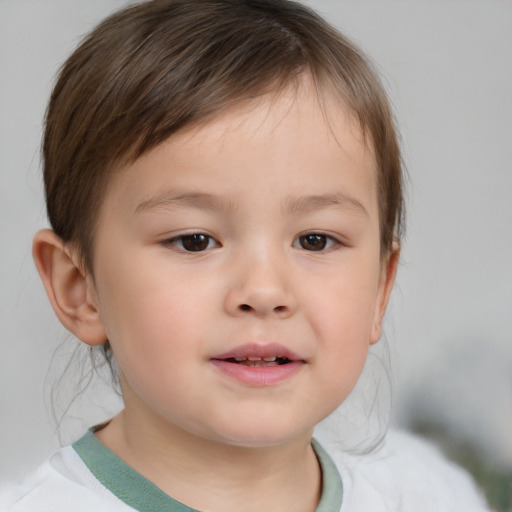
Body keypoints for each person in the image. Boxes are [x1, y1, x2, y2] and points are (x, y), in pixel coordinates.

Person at [0, 1, 491, 510]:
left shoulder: (431, 497)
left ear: (380, 289)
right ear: (78, 288)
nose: (263, 291)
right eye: (194, 240)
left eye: (315, 240)